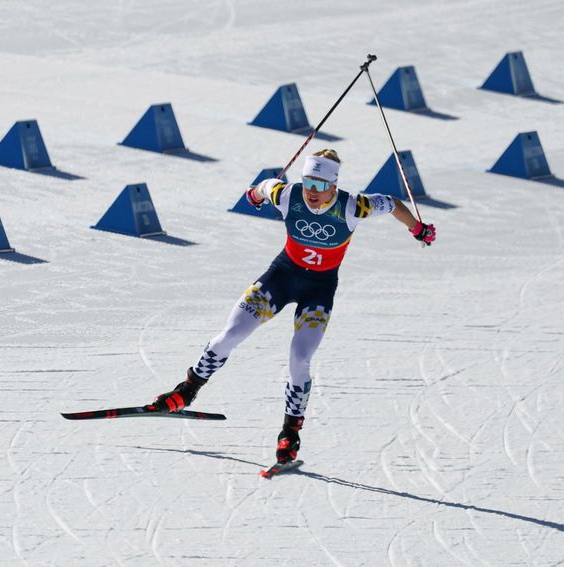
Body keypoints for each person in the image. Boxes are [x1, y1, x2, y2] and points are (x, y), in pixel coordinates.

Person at [150, 149, 436, 464]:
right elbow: (264, 186)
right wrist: (254, 195)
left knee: (300, 358)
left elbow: (393, 203)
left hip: (319, 290)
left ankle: (290, 431)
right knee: (230, 335)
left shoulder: (354, 206)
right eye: (308, 182)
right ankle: (187, 389)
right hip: (281, 277)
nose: (312, 192)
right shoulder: (288, 194)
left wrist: (417, 228)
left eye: (320, 184)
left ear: (333, 184)